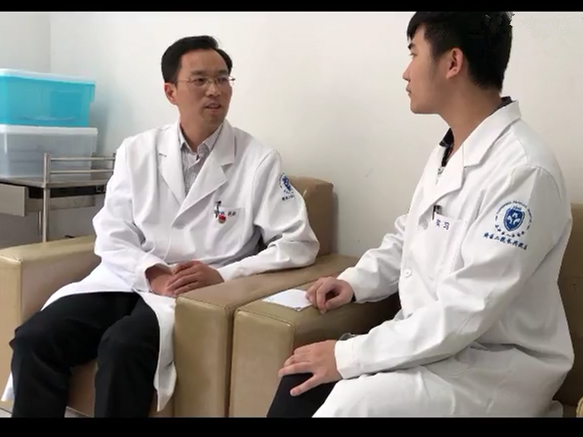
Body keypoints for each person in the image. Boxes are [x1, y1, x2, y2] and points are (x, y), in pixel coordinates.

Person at [266, 12, 574, 417]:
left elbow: (466, 310)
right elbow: (411, 234)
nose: (406, 72)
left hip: (492, 365)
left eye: (414, 53)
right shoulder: (453, 149)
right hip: (435, 345)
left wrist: (347, 356)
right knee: (299, 381)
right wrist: (356, 281)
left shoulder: (523, 172)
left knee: (348, 405)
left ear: (452, 62)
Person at [2, 35, 320, 417]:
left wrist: (223, 275)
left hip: (192, 294)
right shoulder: (137, 150)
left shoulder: (258, 160)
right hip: (128, 278)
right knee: (35, 339)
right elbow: (113, 230)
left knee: (123, 348)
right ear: (171, 92)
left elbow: (298, 243)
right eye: (200, 80)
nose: (214, 90)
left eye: (222, 78)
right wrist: (150, 272)